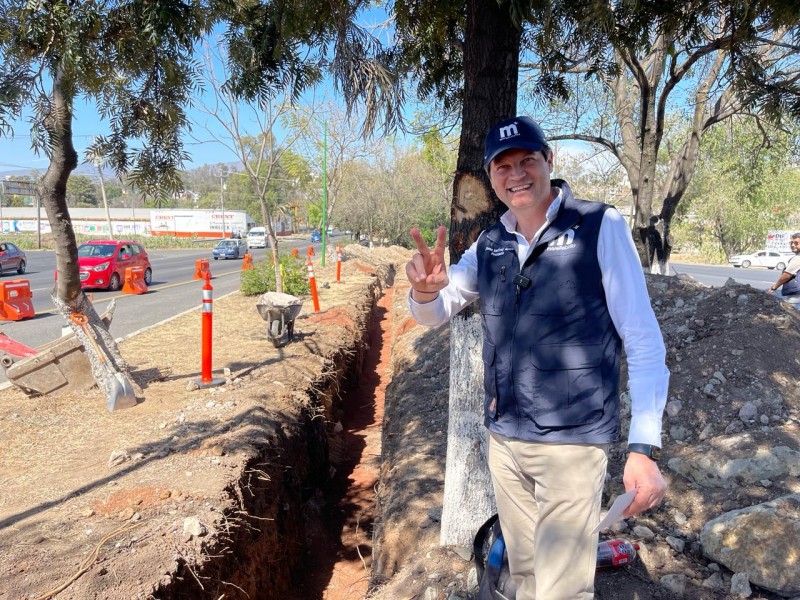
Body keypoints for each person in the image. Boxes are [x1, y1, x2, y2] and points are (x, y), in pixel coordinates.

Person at [405, 116, 670, 600]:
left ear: (550, 160)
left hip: (572, 444)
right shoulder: (491, 244)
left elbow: (645, 341)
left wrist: (642, 448)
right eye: (502, 165)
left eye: (527, 159)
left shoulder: (597, 226)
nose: (516, 173)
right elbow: (437, 310)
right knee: (523, 577)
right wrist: (423, 291)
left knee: (562, 590)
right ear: (491, 177)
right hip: (505, 441)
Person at [768, 232, 800, 308]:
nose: (792, 245)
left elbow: (786, 275)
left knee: (792, 315)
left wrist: (774, 288)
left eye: (796, 243)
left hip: (796, 296)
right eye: (791, 243)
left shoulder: (798, 258)